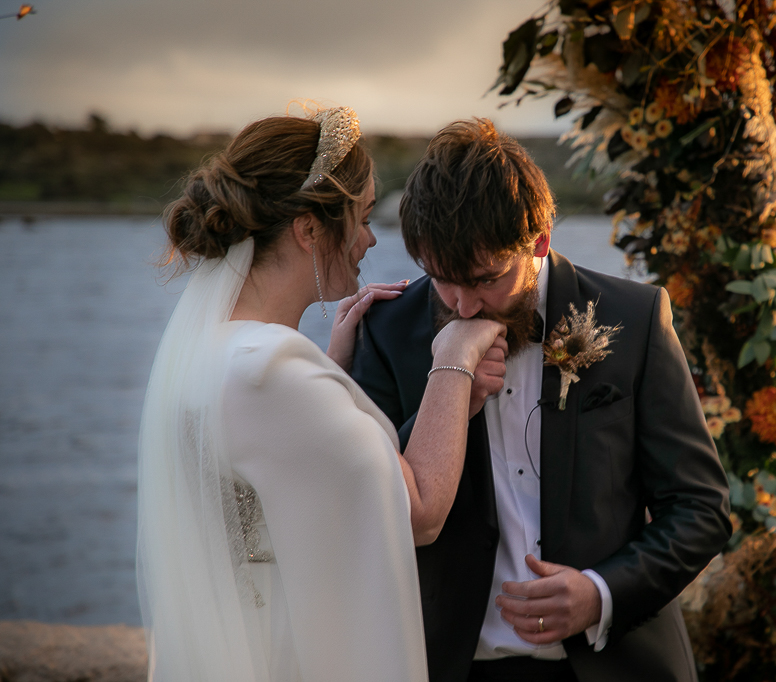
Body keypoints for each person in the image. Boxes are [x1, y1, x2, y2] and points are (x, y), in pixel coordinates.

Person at [351, 118, 733, 682]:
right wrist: (450, 401)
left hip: (616, 662)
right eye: (439, 278)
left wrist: (601, 593)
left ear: (540, 240)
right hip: (452, 666)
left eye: (484, 278)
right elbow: (371, 504)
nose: (462, 306)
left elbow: (701, 508)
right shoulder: (386, 331)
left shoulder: (634, 318)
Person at [136, 108, 506, 681]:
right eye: (360, 216)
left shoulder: (217, 354)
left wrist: (333, 370)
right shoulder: (272, 376)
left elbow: (278, 458)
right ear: (308, 229)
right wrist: (454, 358)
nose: (368, 238)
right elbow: (420, 512)